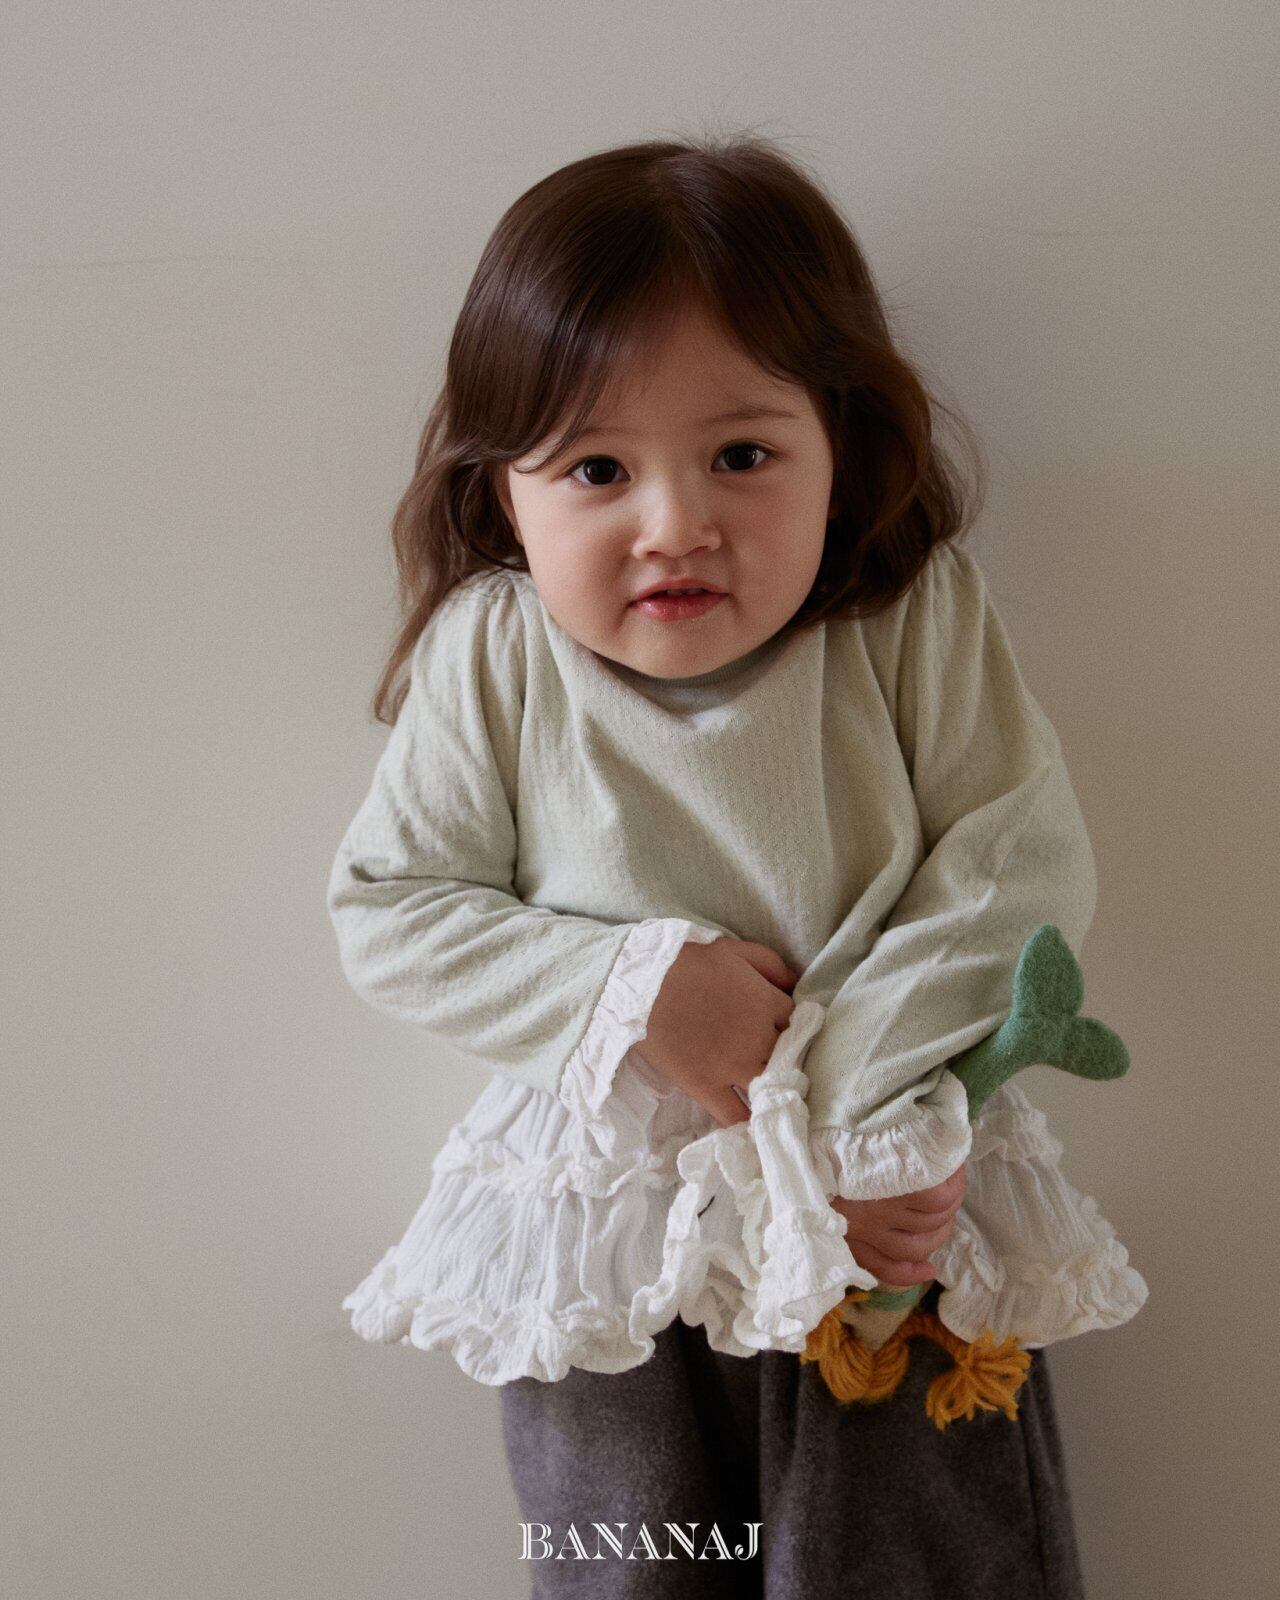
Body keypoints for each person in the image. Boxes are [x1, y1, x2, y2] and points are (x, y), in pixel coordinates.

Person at [327, 132, 1148, 1597]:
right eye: (595, 467)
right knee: (635, 1557)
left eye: (743, 455)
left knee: (921, 1559)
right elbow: (393, 911)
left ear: (842, 451)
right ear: (504, 491)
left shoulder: (908, 618)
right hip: (617, 1248)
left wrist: (837, 1132)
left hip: (893, 1223)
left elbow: (1015, 873)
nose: (675, 526)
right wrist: (637, 991)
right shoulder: (497, 655)